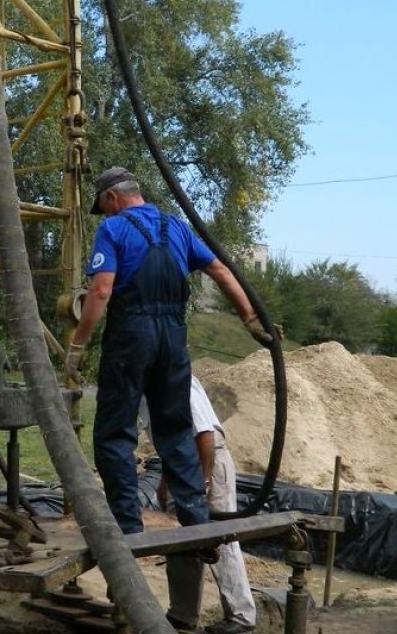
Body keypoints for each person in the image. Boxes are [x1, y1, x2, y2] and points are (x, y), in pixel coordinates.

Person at [64, 166, 272, 537]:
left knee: (115, 434)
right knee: (176, 432)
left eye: (105, 206)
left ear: (112, 198)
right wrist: (251, 318)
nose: (107, 213)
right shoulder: (176, 227)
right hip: (173, 339)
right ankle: (197, 524)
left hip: (131, 336)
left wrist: (77, 345)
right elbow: (221, 270)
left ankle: (128, 529)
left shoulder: (112, 229)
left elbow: (100, 292)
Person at [147, 377, 257, 634]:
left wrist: (204, 483)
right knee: (181, 538)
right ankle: (182, 614)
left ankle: (241, 616)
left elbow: (205, 435)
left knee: (219, 536)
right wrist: (166, 478)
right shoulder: (146, 387)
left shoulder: (174, 379)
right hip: (180, 464)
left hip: (207, 458)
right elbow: (172, 439)